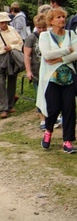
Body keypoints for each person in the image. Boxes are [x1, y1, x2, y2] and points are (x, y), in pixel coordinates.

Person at [37, 8, 77, 153]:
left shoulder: (71, 34)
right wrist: (68, 50)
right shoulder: (45, 36)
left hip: (68, 79)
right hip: (51, 79)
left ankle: (67, 141)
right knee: (53, 109)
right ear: (51, 21)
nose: (62, 19)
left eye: (63, 17)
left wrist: (60, 59)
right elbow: (47, 55)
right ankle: (48, 131)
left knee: (69, 109)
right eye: (58, 17)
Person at [0, 12, 23, 119]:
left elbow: (20, 43)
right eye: (2, 22)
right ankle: (3, 108)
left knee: (12, 79)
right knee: (0, 82)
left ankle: (10, 105)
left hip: (11, 56)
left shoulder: (12, 29)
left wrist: (11, 46)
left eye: (5, 22)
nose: (4, 24)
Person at [24, 14, 48, 129]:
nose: (42, 30)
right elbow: (27, 55)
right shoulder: (31, 38)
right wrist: (28, 71)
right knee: (40, 96)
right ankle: (42, 119)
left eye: (44, 27)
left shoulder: (49, 36)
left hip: (49, 70)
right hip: (37, 70)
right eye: (39, 27)